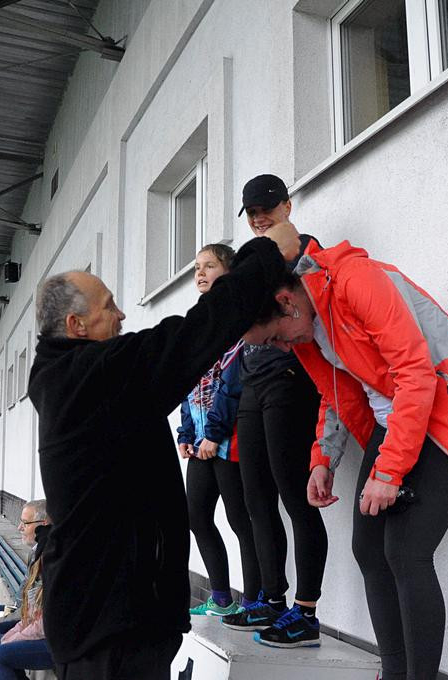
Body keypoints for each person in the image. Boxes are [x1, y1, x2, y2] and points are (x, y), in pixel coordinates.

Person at [242, 236, 448, 678]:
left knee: (406, 551)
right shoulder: (306, 330)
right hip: (395, 418)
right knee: (368, 548)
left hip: (446, 408)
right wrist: (323, 459)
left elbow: (416, 375)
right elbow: (334, 394)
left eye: (274, 337)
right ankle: (393, 671)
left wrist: (389, 470)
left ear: (286, 302)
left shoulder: (356, 280)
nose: (280, 348)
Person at [27, 225, 295, 679]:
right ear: (76, 326)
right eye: (108, 306)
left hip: (122, 623)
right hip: (110, 635)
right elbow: (196, 333)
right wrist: (267, 253)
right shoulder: (89, 378)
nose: (122, 314)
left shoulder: (75, 379)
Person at [220, 175, 327, 648]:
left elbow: (313, 314)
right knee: (255, 497)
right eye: (251, 212)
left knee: (294, 494)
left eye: (267, 208)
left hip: (291, 379)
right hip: (251, 383)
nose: (259, 218)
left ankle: (306, 613)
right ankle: (271, 599)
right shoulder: (253, 259)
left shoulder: (308, 250)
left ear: (288, 204)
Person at [177, 244, 260, 616]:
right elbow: (187, 379)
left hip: (229, 441)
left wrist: (213, 433)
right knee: (196, 516)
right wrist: (185, 433)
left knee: (241, 519)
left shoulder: (238, 320)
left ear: (229, 272)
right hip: (200, 441)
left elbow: (232, 381)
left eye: (209, 265)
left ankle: (256, 600)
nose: (200, 272)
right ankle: (222, 597)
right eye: (197, 267)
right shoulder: (201, 321)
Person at [0, 530, 53, 679]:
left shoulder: (59, 583)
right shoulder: (38, 572)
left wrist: (5, 644)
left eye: (25, 523)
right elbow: (27, 619)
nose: (19, 528)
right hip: (37, 631)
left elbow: (40, 627)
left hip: (56, 643)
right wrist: (6, 641)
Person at [0, 500, 50, 638]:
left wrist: (9, 618)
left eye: (25, 523)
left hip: (38, 622)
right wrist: (12, 610)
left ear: (43, 524)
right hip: (26, 611)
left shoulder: (49, 557)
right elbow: (24, 590)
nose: (19, 527)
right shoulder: (35, 551)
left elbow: (35, 611)